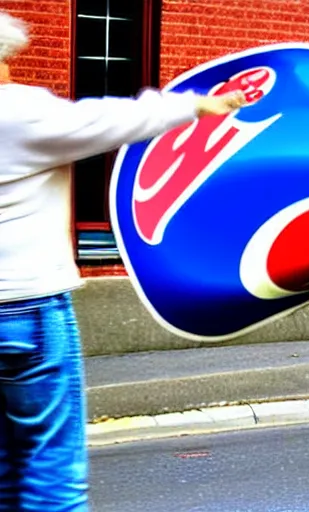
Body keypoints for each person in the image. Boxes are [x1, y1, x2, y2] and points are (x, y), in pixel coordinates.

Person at [0, 11, 247, 511]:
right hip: (26, 309)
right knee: (52, 476)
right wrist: (200, 103)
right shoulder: (16, 113)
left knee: (6, 470)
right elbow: (113, 121)